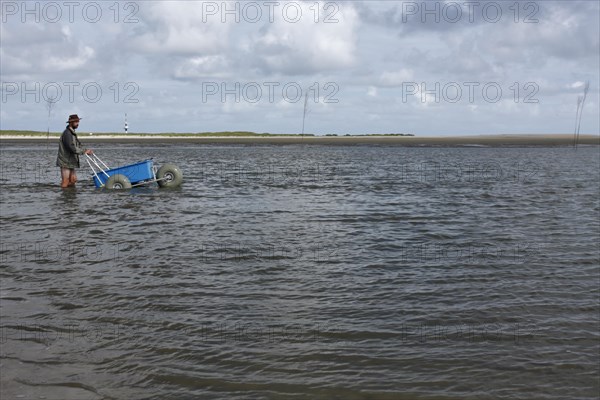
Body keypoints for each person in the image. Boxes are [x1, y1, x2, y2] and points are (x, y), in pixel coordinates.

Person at [56, 114, 93, 188]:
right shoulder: (67, 133)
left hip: (71, 160)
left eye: (78, 121)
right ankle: (64, 197)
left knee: (73, 180)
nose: (77, 123)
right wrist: (84, 151)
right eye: (76, 122)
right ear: (70, 122)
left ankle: (70, 196)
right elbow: (71, 148)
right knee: (65, 181)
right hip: (65, 161)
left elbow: (77, 145)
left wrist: (86, 150)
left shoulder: (72, 132)